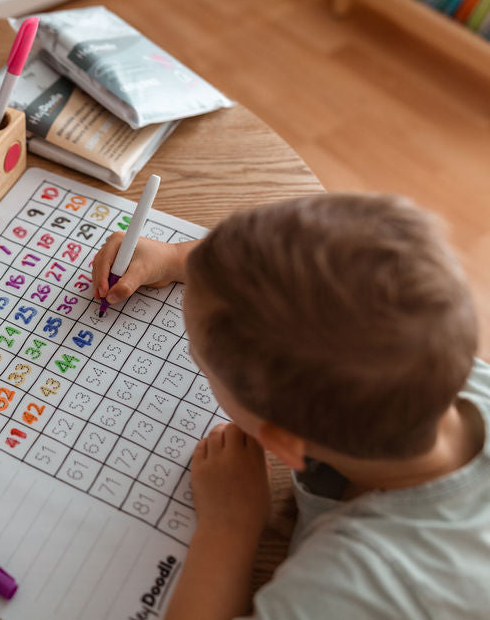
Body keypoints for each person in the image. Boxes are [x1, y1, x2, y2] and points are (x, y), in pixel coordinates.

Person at [91, 194, 490, 619]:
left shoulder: (352, 587)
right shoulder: (432, 355)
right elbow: (327, 286)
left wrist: (229, 528)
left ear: (281, 442)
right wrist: (177, 257)